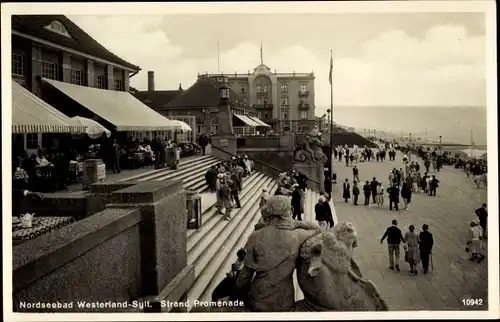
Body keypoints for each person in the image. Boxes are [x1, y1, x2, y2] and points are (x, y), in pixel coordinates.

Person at [234, 196, 321, 311]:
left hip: (259, 298)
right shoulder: (297, 236)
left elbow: (245, 276)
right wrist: (297, 223)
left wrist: (235, 296)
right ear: (287, 212)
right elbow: (317, 229)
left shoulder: (255, 236)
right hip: (284, 300)